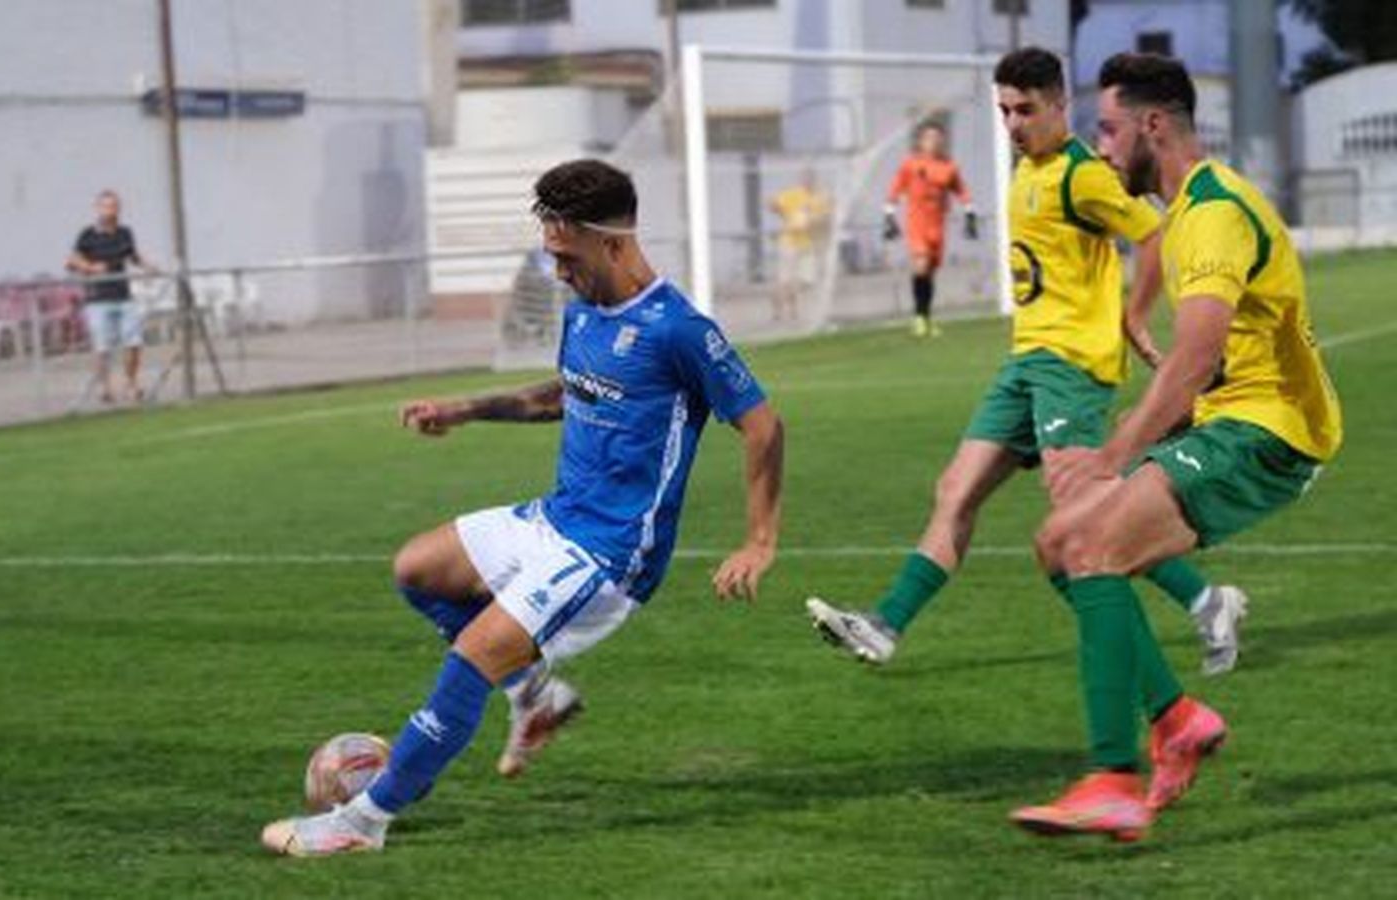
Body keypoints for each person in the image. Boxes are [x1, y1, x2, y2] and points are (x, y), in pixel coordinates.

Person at [260, 159, 785, 857]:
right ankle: (536, 694)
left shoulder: (678, 329)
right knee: (418, 569)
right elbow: (565, 395)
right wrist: (465, 410)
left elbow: (762, 424)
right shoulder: (583, 314)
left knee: (474, 653)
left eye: (566, 255)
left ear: (614, 244)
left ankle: (362, 822)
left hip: (610, 555)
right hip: (553, 518)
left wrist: (758, 541)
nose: (557, 269)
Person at [806, 47, 1246, 674]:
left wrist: (1134, 316)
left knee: (1085, 517)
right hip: (1026, 364)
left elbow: (1152, 234)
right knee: (954, 490)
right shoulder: (1026, 171)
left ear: (1060, 105)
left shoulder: (1082, 175)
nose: (1013, 124)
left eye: (1027, 110)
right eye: (1005, 111)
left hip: (1071, 368)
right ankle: (884, 626)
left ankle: (1206, 602)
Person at [1010, 52, 1342, 840]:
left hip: (1272, 433)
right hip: (1232, 420)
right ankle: (1177, 718)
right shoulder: (1189, 210)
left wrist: (1115, 451)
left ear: (1153, 126)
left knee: (1089, 541)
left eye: (1109, 129)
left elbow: (1196, 353)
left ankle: (1113, 780)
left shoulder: (1216, 211)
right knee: (1058, 543)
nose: (1100, 148)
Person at [882, 121, 977, 337]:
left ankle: (926, 317)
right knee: (921, 265)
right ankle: (918, 317)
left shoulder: (948, 167)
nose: (934, 142)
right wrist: (889, 214)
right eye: (929, 138)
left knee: (930, 273)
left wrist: (970, 212)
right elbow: (895, 188)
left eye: (937, 138)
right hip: (917, 225)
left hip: (938, 227)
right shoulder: (910, 165)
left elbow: (961, 190)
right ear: (921, 141)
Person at [66, 190, 155, 404]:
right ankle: (105, 387)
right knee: (103, 347)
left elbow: (133, 256)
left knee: (134, 342)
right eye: (106, 206)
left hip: (123, 296)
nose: (110, 210)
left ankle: (131, 383)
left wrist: (148, 267)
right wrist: (91, 267)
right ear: (98, 209)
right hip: (98, 299)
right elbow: (71, 261)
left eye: (114, 206)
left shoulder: (125, 233)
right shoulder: (88, 235)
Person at [768, 169, 831, 322]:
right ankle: (785, 310)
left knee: (806, 281)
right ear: (801, 180)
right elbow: (772, 204)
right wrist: (783, 214)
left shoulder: (820, 198)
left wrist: (816, 221)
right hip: (789, 242)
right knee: (785, 281)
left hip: (808, 245)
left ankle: (787, 304)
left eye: (811, 178)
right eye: (805, 178)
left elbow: (825, 219)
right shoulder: (792, 195)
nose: (808, 181)